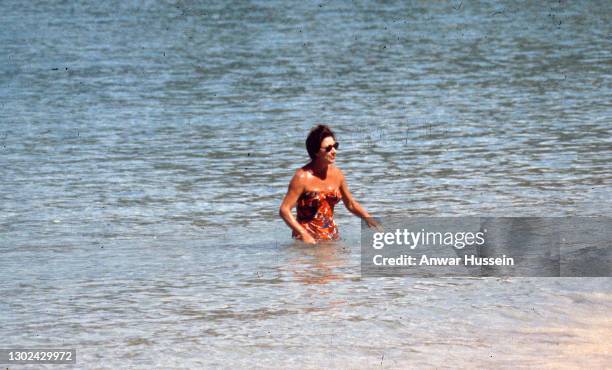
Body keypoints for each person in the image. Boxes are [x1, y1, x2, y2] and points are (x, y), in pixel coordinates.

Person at [279, 125, 379, 244]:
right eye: (328, 148)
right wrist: (304, 234)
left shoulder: (337, 174)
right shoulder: (301, 177)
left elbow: (351, 204)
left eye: (335, 146)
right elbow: (284, 210)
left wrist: (369, 219)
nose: (334, 151)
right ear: (316, 151)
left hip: (331, 238)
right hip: (307, 243)